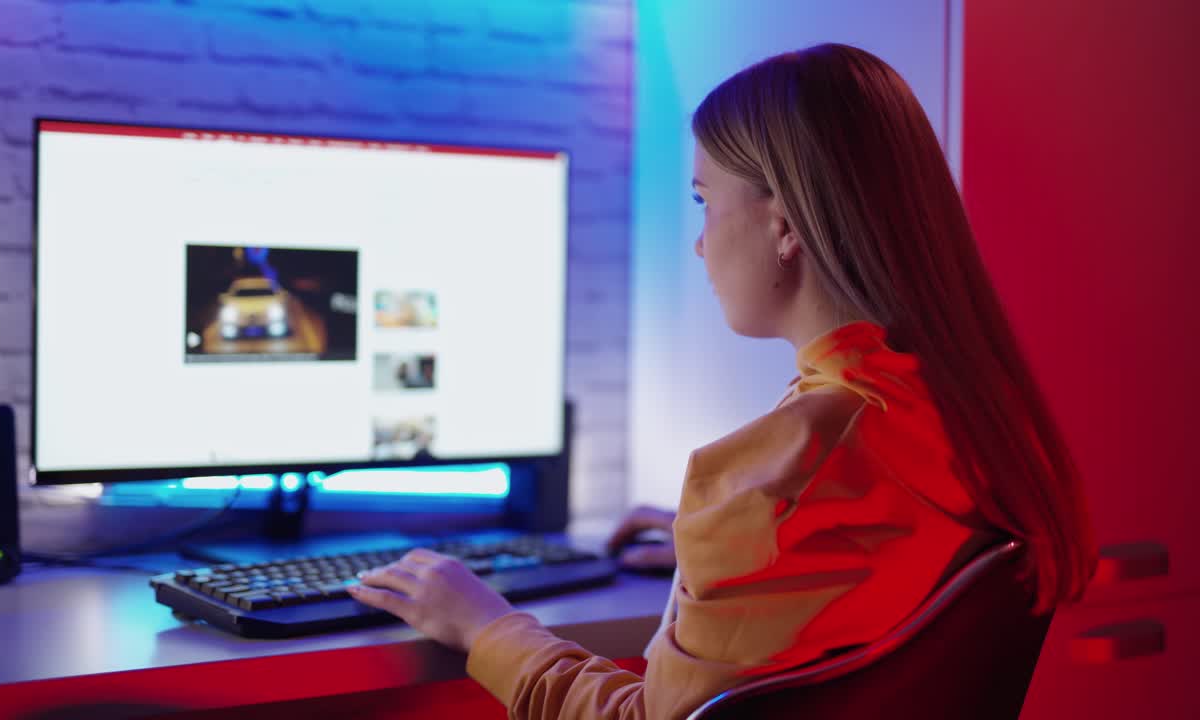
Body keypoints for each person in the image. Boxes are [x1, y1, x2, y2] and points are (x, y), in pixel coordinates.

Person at [345, 43, 1098, 719]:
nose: (700, 243)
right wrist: (713, 557)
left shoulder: (776, 478)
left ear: (787, 222)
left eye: (706, 200)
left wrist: (487, 625)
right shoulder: (972, 415)